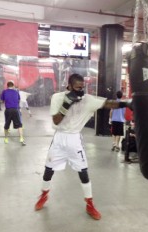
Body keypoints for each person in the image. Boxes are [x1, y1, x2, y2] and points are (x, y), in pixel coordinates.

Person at [35, 73, 131, 220]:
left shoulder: (87, 100)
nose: (81, 90)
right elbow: (56, 121)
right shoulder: (58, 97)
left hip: (74, 139)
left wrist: (127, 103)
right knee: (49, 170)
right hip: (59, 139)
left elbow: (109, 103)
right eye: (77, 87)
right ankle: (44, 194)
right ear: (69, 86)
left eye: (82, 87)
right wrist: (66, 103)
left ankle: (89, 204)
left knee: (83, 172)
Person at [0, 81, 26, 145]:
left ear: (7, 86)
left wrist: (6, 101)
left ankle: (6, 139)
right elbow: (18, 100)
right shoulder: (16, 92)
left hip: (8, 110)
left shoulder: (4, 92)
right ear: (13, 85)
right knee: (19, 125)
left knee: (6, 125)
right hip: (15, 110)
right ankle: (21, 138)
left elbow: (2, 101)